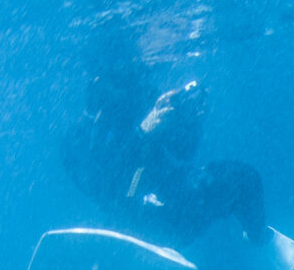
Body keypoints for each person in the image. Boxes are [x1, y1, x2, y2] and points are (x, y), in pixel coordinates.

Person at [61, 66, 266, 248]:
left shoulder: (141, 97)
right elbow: (106, 189)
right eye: (123, 79)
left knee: (244, 177)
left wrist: (191, 122)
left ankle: (258, 236)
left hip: (169, 189)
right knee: (172, 225)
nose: (133, 83)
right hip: (131, 205)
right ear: (99, 84)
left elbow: (184, 152)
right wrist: (142, 133)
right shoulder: (79, 135)